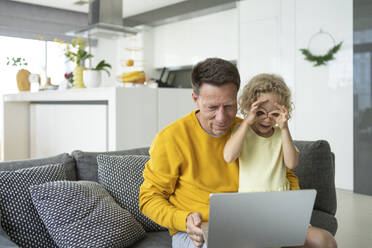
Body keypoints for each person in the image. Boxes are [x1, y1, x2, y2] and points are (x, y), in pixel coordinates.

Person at [139, 58, 337, 248]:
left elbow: (284, 171)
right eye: (212, 107)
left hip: (253, 222)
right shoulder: (171, 138)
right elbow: (149, 199)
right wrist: (183, 220)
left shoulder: (249, 128)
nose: (222, 117)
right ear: (195, 99)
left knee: (324, 241)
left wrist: (290, 212)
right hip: (199, 229)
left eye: (229, 106)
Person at [223, 73, 299, 193]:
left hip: (280, 196)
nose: (267, 119)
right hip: (250, 198)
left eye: (275, 114)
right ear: (249, 108)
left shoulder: (281, 134)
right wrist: (247, 122)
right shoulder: (242, 130)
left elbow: (292, 163)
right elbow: (229, 157)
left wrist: (285, 129)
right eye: (260, 113)